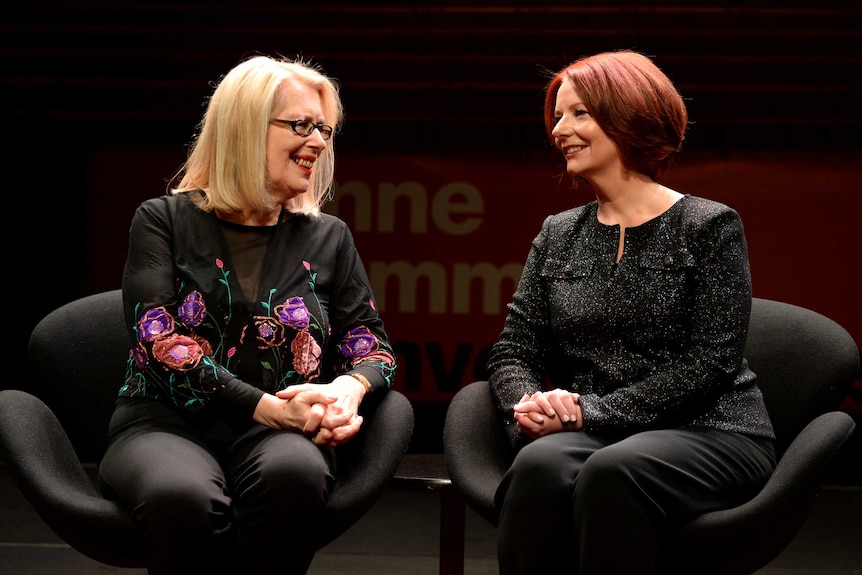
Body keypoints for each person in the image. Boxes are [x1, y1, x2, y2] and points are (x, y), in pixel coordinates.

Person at [98, 54, 397, 575]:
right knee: (180, 497)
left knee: (295, 478)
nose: (319, 142)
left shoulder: (329, 237)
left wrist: (346, 389)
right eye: (301, 125)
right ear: (244, 127)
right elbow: (159, 341)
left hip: (280, 436)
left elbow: (372, 346)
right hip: (165, 426)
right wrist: (265, 406)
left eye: (324, 129)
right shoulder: (161, 220)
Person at [487, 50, 776, 575]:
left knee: (613, 472)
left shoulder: (709, 226)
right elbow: (514, 348)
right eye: (557, 115)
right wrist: (528, 406)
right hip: (598, 433)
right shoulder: (559, 232)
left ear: (628, 117)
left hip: (712, 430)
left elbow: (710, 365)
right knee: (537, 465)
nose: (559, 129)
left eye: (579, 114)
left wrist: (589, 413)